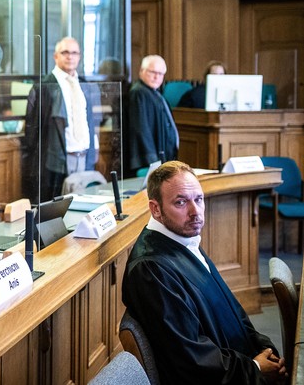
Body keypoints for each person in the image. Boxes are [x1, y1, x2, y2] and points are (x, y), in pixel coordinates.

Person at [122, 161, 286, 384]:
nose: (195, 212)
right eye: (181, 202)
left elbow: (233, 310)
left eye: (198, 200)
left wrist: (263, 347)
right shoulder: (150, 270)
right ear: (156, 209)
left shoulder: (182, 237)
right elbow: (189, 357)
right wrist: (255, 368)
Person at [21, 37, 102, 203]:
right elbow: (32, 132)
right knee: (57, 210)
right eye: (65, 52)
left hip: (84, 156)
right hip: (56, 160)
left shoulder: (84, 85)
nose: (70, 56)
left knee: (82, 209)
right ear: (55, 56)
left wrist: (95, 149)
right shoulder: (44, 87)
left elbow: (90, 122)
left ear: (79, 57)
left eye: (74, 53)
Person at [125, 54, 178, 177]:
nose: (156, 77)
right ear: (141, 71)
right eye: (153, 72)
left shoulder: (153, 92)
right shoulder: (138, 93)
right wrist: (153, 161)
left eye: (161, 74)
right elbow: (141, 129)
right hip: (148, 162)